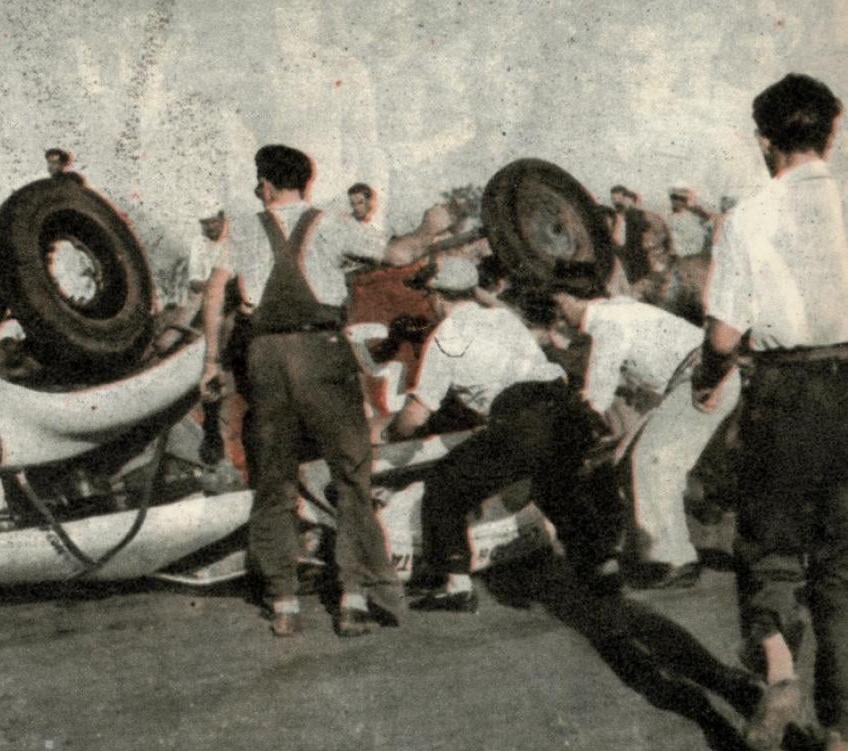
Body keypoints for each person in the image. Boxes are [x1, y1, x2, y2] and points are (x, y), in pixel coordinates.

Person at [200, 144, 439, 637]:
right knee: (352, 475)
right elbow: (398, 253)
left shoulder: (241, 229)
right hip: (321, 352)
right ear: (306, 185)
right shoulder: (330, 223)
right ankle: (353, 598)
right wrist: (430, 229)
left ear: (265, 185)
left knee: (272, 480)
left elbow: (213, 292)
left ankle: (284, 602)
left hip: (265, 358)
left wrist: (210, 360)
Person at [693, 73, 848, 751]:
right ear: (834, 132)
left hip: (788, 391)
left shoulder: (749, 215)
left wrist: (707, 378)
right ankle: (842, 737)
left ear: (763, 141)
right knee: (843, 564)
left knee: (768, 545)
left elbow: (724, 335)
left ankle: (780, 670)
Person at [379, 256, 607, 611]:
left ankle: (456, 586)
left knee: (444, 484)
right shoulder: (503, 317)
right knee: (554, 486)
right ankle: (602, 567)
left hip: (521, 418)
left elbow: (417, 412)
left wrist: (392, 435)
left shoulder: (446, 336)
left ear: (437, 298)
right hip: (565, 408)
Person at [550, 260, 738, 589]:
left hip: (702, 377)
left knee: (652, 460)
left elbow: (598, 394)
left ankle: (675, 559)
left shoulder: (605, 322)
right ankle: (647, 550)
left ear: (566, 299)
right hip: (695, 378)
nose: (559, 314)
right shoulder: (615, 308)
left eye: (558, 305)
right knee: (626, 460)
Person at [665, 184, 712, 259]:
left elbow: (697, 244)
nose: (675, 202)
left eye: (680, 199)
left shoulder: (692, 218)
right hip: (675, 252)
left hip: (689, 254)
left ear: (684, 201)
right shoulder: (668, 218)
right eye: (673, 198)